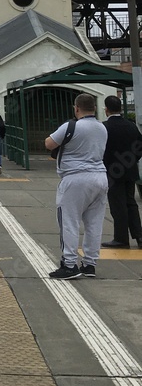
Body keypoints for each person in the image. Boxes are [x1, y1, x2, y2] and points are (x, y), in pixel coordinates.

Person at [45, 93, 108, 280]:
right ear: (94, 108)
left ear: (76, 108)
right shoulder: (102, 128)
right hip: (100, 177)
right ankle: (89, 264)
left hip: (76, 178)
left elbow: (49, 144)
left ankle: (69, 264)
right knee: (94, 223)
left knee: (69, 221)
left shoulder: (71, 126)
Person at [101, 95, 142, 249]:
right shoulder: (131, 125)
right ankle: (139, 235)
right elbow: (140, 146)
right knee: (131, 203)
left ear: (106, 109)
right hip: (130, 170)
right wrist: (132, 160)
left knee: (117, 205)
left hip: (112, 172)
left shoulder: (105, 127)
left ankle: (121, 238)